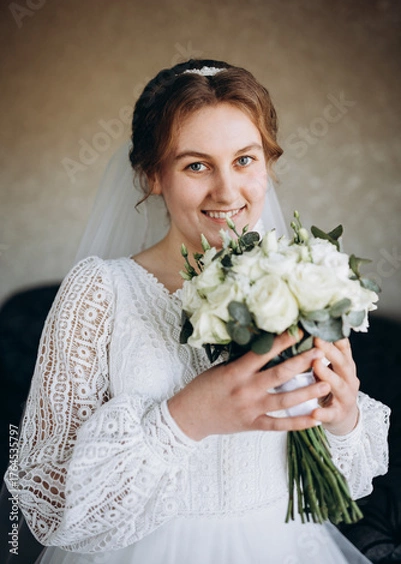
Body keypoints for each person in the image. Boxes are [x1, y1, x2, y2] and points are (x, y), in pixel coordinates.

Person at [4, 59, 390, 564]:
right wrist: (184, 418)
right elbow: (52, 511)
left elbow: (344, 479)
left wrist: (344, 420)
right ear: (153, 176)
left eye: (245, 160)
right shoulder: (99, 292)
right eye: (196, 165)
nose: (227, 192)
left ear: (267, 164)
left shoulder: (298, 280)